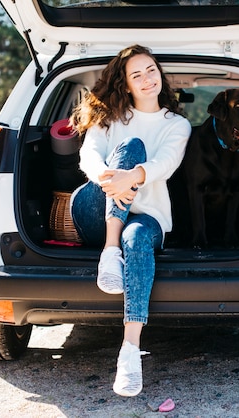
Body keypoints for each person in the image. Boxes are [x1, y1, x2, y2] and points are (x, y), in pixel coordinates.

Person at [69, 45, 191, 397]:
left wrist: (133, 177)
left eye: (151, 70)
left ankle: (130, 351)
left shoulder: (177, 125)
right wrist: (111, 178)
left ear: (160, 74)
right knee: (133, 145)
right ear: (125, 84)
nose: (147, 78)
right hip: (95, 206)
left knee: (137, 240)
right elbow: (88, 154)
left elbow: (165, 163)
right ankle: (109, 250)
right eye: (136, 74)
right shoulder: (110, 118)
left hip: (147, 217)